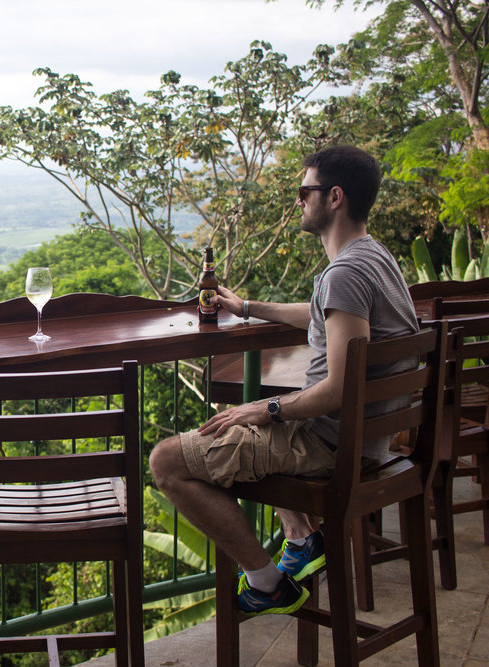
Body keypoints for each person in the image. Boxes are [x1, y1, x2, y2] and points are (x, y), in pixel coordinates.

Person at [148, 145, 419, 615]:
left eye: (303, 191)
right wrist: (249, 308)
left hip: (332, 446)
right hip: (367, 438)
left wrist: (266, 408)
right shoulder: (374, 258)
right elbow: (326, 317)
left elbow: (336, 389)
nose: (297, 201)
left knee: (167, 461)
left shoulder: (346, 274)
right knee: (230, 417)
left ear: (334, 197)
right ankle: (302, 539)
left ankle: (268, 584)